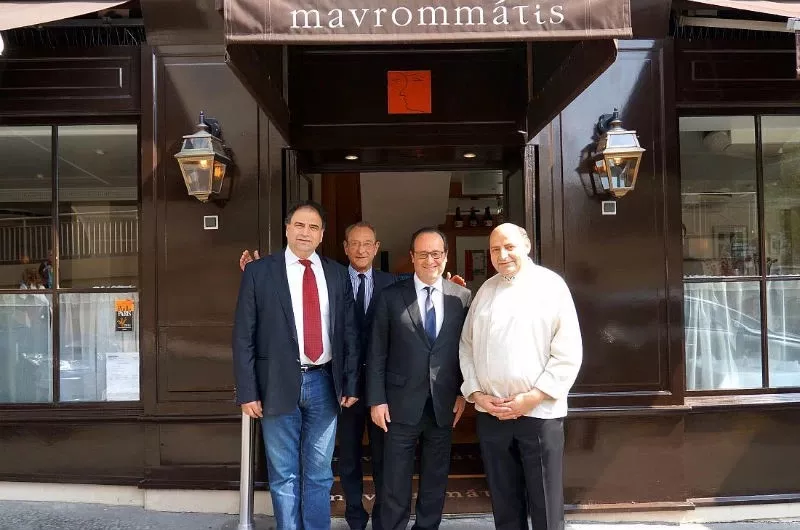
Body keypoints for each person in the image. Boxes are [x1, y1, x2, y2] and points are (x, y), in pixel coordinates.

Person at [232, 200, 360, 530]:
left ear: (322, 235)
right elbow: (244, 335)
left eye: (313, 227)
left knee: (319, 473)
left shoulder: (336, 273)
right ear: (287, 229)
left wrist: (351, 382)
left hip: (325, 383)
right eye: (299, 225)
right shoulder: (260, 272)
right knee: (284, 474)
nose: (306, 232)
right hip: (276, 384)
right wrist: (248, 391)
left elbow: (349, 332)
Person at [459, 223, 582, 530]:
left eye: (509, 246)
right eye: (495, 249)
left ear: (526, 246)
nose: (502, 255)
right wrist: (476, 394)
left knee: (546, 506)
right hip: (492, 415)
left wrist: (534, 397)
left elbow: (568, 350)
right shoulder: (486, 291)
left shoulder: (551, 286)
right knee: (504, 504)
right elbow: (466, 346)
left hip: (538, 414)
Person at [367, 227, 471, 530]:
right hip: (398, 404)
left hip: (443, 404)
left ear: (446, 256)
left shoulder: (461, 297)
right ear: (412, 257)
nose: (430, 260)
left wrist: (462, 393)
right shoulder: (390, 297)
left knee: (435, 478)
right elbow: (376, 352)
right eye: (423, 254)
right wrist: (376, 399)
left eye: (436, 254)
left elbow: (467, 350)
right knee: (394, 479)